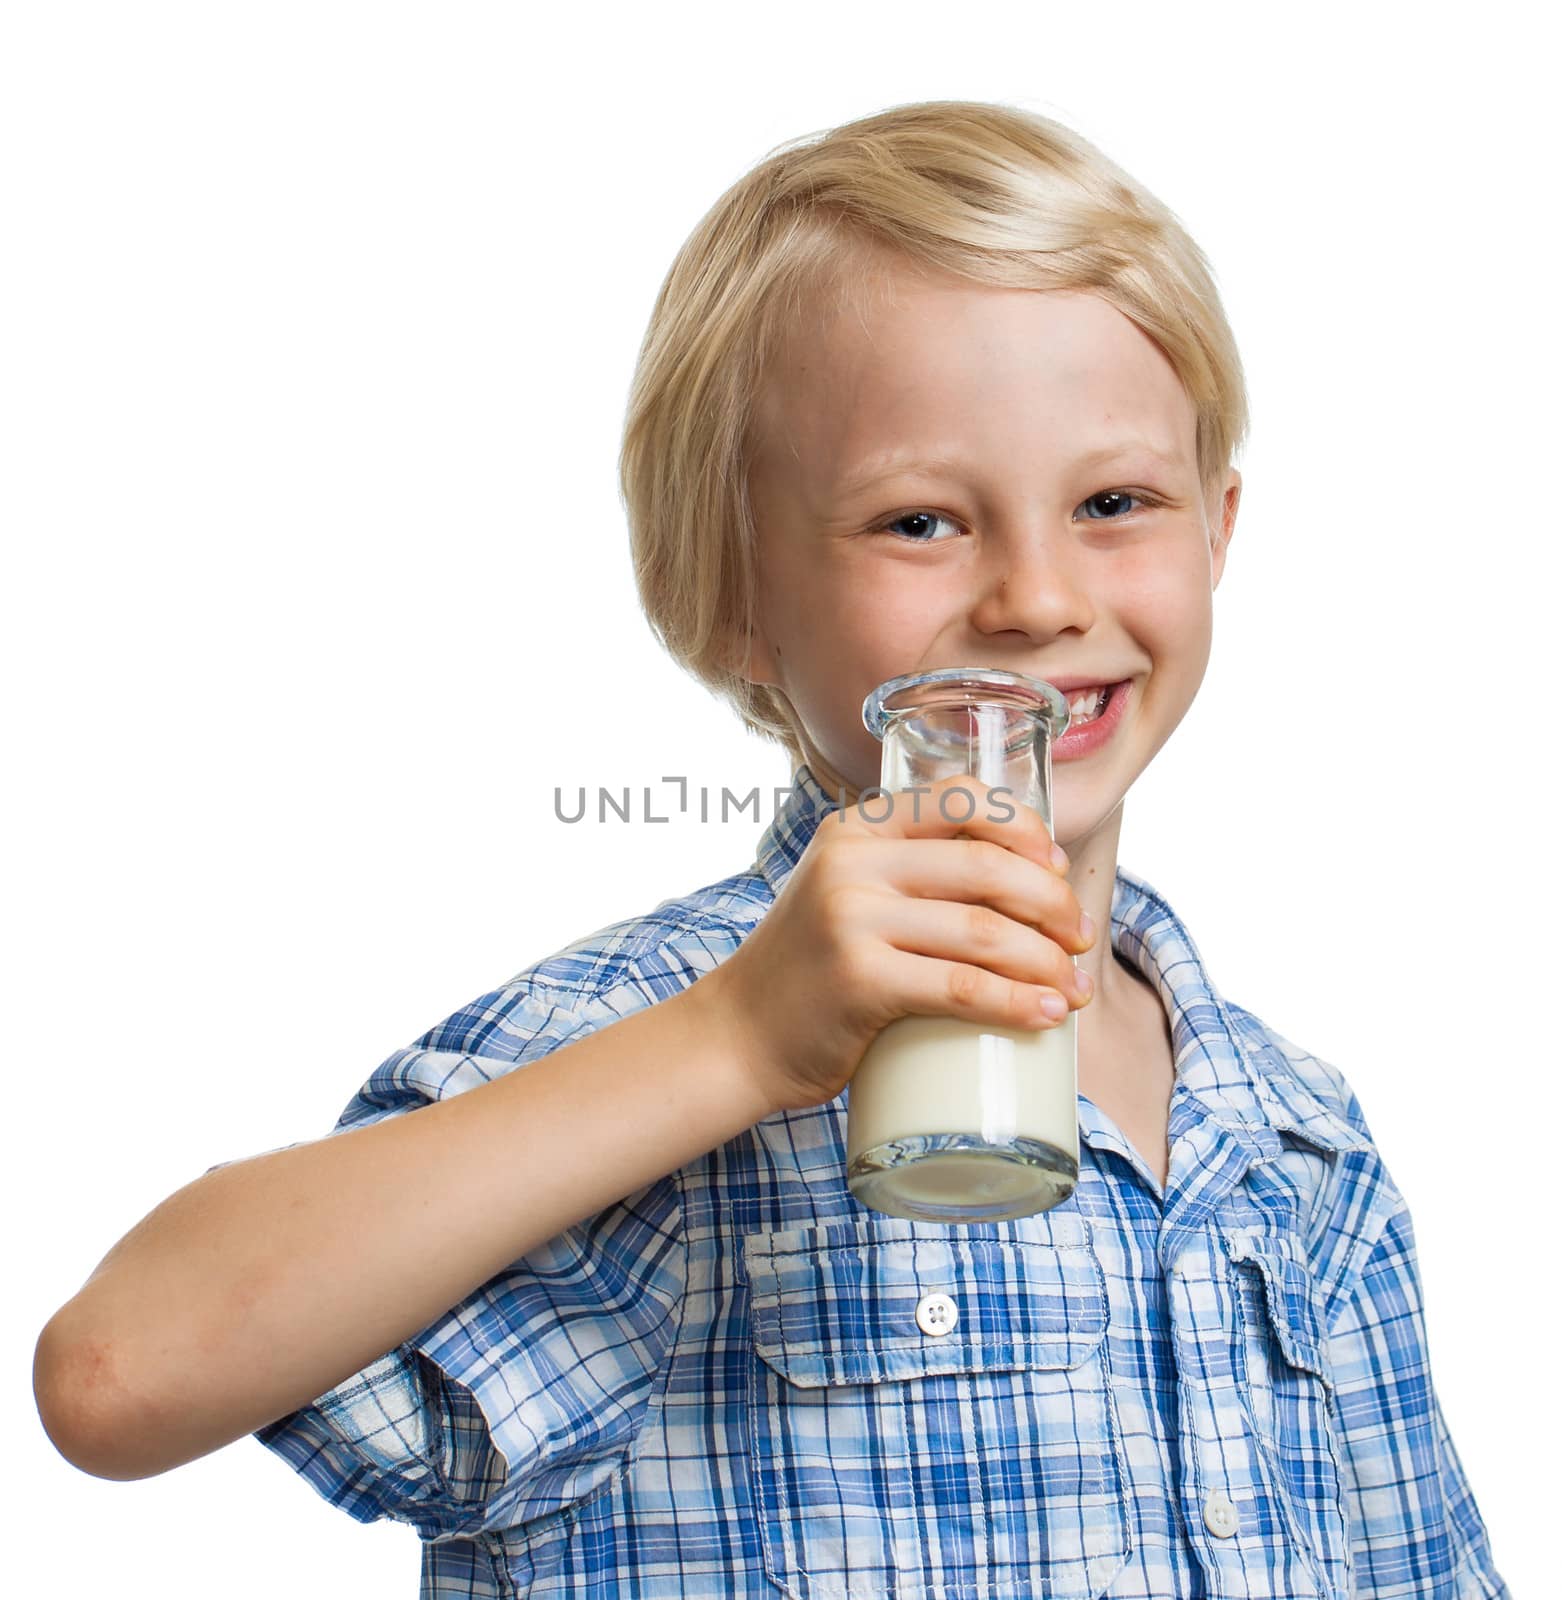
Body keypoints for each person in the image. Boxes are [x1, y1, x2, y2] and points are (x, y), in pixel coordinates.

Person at [33, 100, 1508, 1599]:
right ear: (735, 595)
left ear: (1216, 536)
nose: (1037, 596)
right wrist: (736, 1042)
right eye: (921, 520)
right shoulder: (648, 1046)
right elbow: (117, 1376)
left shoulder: (1296, 1141)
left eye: (1114, 502)